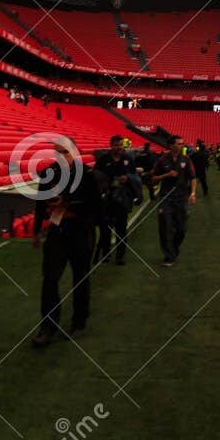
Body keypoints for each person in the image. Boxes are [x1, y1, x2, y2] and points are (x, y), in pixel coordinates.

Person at [32, 158, 101, 348]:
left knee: (80, 279)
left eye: (66, 151)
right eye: (58, 151)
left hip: (81, 232)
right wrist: (37, 230)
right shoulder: (49, 173)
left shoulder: (87, 174)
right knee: (50, 279)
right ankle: (48, 326)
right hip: (57, 231)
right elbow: (40, 202)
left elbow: (95, 206)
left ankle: (79, 322)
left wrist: (69, 207)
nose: (62, 155)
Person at [94, 135, 140, 266]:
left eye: (120, 145)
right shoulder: (103, 159)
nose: (119, 148)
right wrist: (106, 182)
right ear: (111, 145)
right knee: (105, 228)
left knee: (121, 229)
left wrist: (127, 178)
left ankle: (120, 256)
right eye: (116, 145)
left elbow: (134, 176)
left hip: (122, 199)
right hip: (107, 199)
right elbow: (96, 176)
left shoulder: (128, 159)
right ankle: (106, 254)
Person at [149, 138, 196, 267]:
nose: (181, 145)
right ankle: (168, 257)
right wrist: (166, 175)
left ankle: (175, 248)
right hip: (166, 198)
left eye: (182, 144)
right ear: (171, 145)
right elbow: (153, 179)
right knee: (165, 228)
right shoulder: (162, 160)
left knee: (181, 229)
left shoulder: (186, 159)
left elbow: (192, 177)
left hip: (181, 199)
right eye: (179, 143)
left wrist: (192, 193)